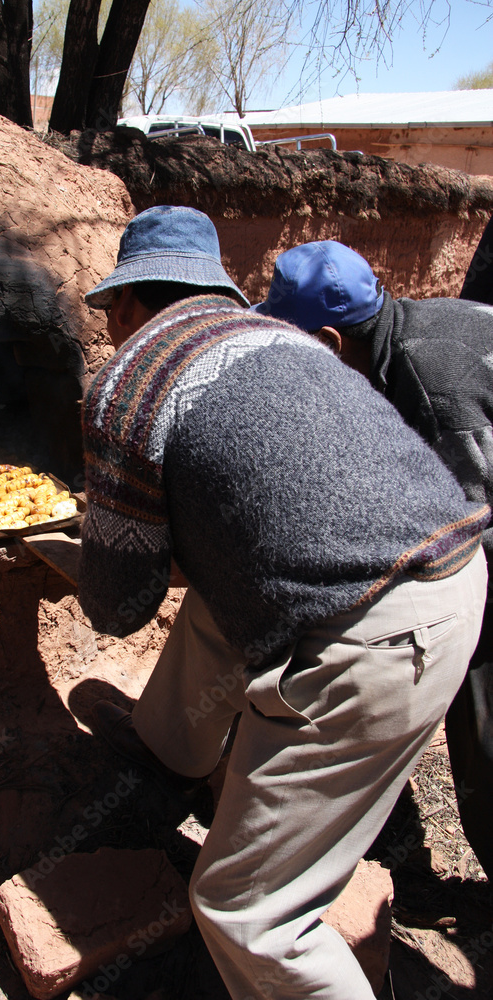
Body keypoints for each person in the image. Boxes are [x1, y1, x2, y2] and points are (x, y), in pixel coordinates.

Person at [78, 206, 489, 1000]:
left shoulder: (125, 384)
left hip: (379, 641)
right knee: (218, 605)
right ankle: (175, 755)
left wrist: (97, 549)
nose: (106, 331)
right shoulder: (288, 345)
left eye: (108, 315)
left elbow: (118, 608)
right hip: (460, 574)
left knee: (246, 909)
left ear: (129, 305)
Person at [255, 238, 493, 881]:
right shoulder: (401, 333)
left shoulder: (430, 383)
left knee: (481, 718)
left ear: (331, 343)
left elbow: (473, 533)